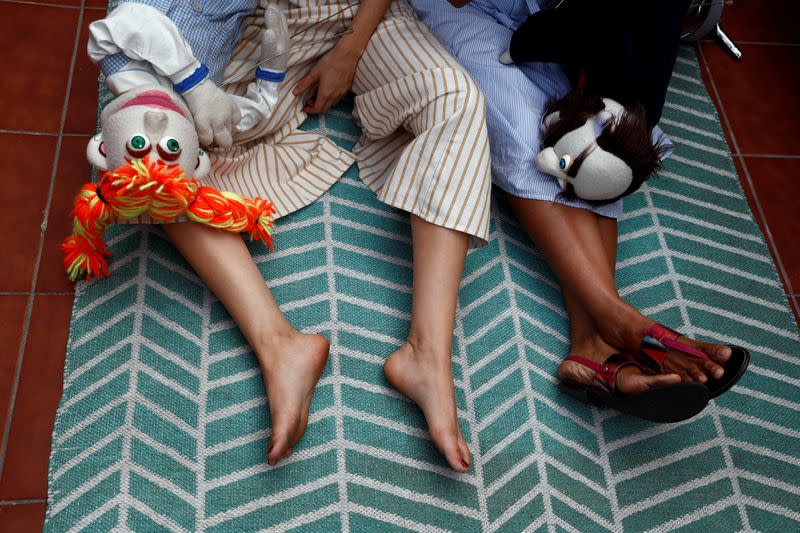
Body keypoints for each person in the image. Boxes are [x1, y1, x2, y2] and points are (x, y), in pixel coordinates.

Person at [90, 0, 492, 471]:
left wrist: (353, 45)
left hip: (366, 15)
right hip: (258, 21)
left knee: (457, 98)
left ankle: (427, 356)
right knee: (160, 151)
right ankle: (280, 345)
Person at [409, 0, 749, 421]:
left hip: (557, 9)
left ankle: (593, 339)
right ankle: (612, 320)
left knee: (599, 133)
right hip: (463, 7)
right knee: (523, 134)